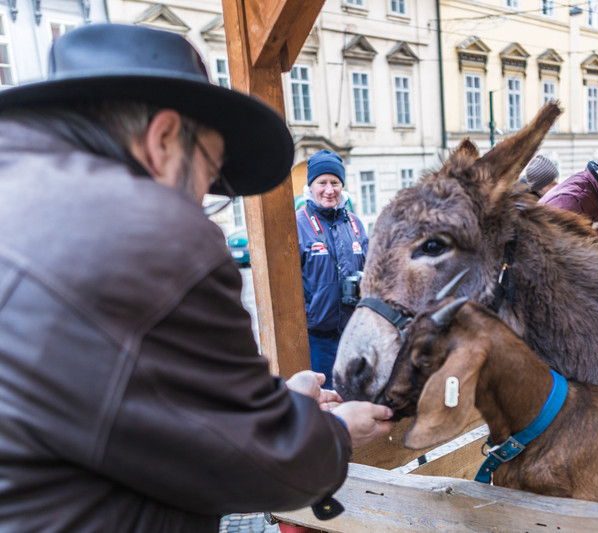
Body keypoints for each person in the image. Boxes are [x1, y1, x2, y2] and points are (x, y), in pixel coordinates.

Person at [0, 24, 393, 533]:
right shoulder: (149, 230)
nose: (201, 203)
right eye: (208, 175)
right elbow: (266, 465)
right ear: (164, 138)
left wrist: (285, 405)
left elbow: (137, 414)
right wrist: (334, 431)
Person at [297, 150, 368, 389]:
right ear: (311, 185)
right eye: (322, 183)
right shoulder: (297, 224)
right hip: (317, 338)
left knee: (356, 395)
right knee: (326, 399)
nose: (329, 190)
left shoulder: (355, 224)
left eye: (335, 183)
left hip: (354, 333)